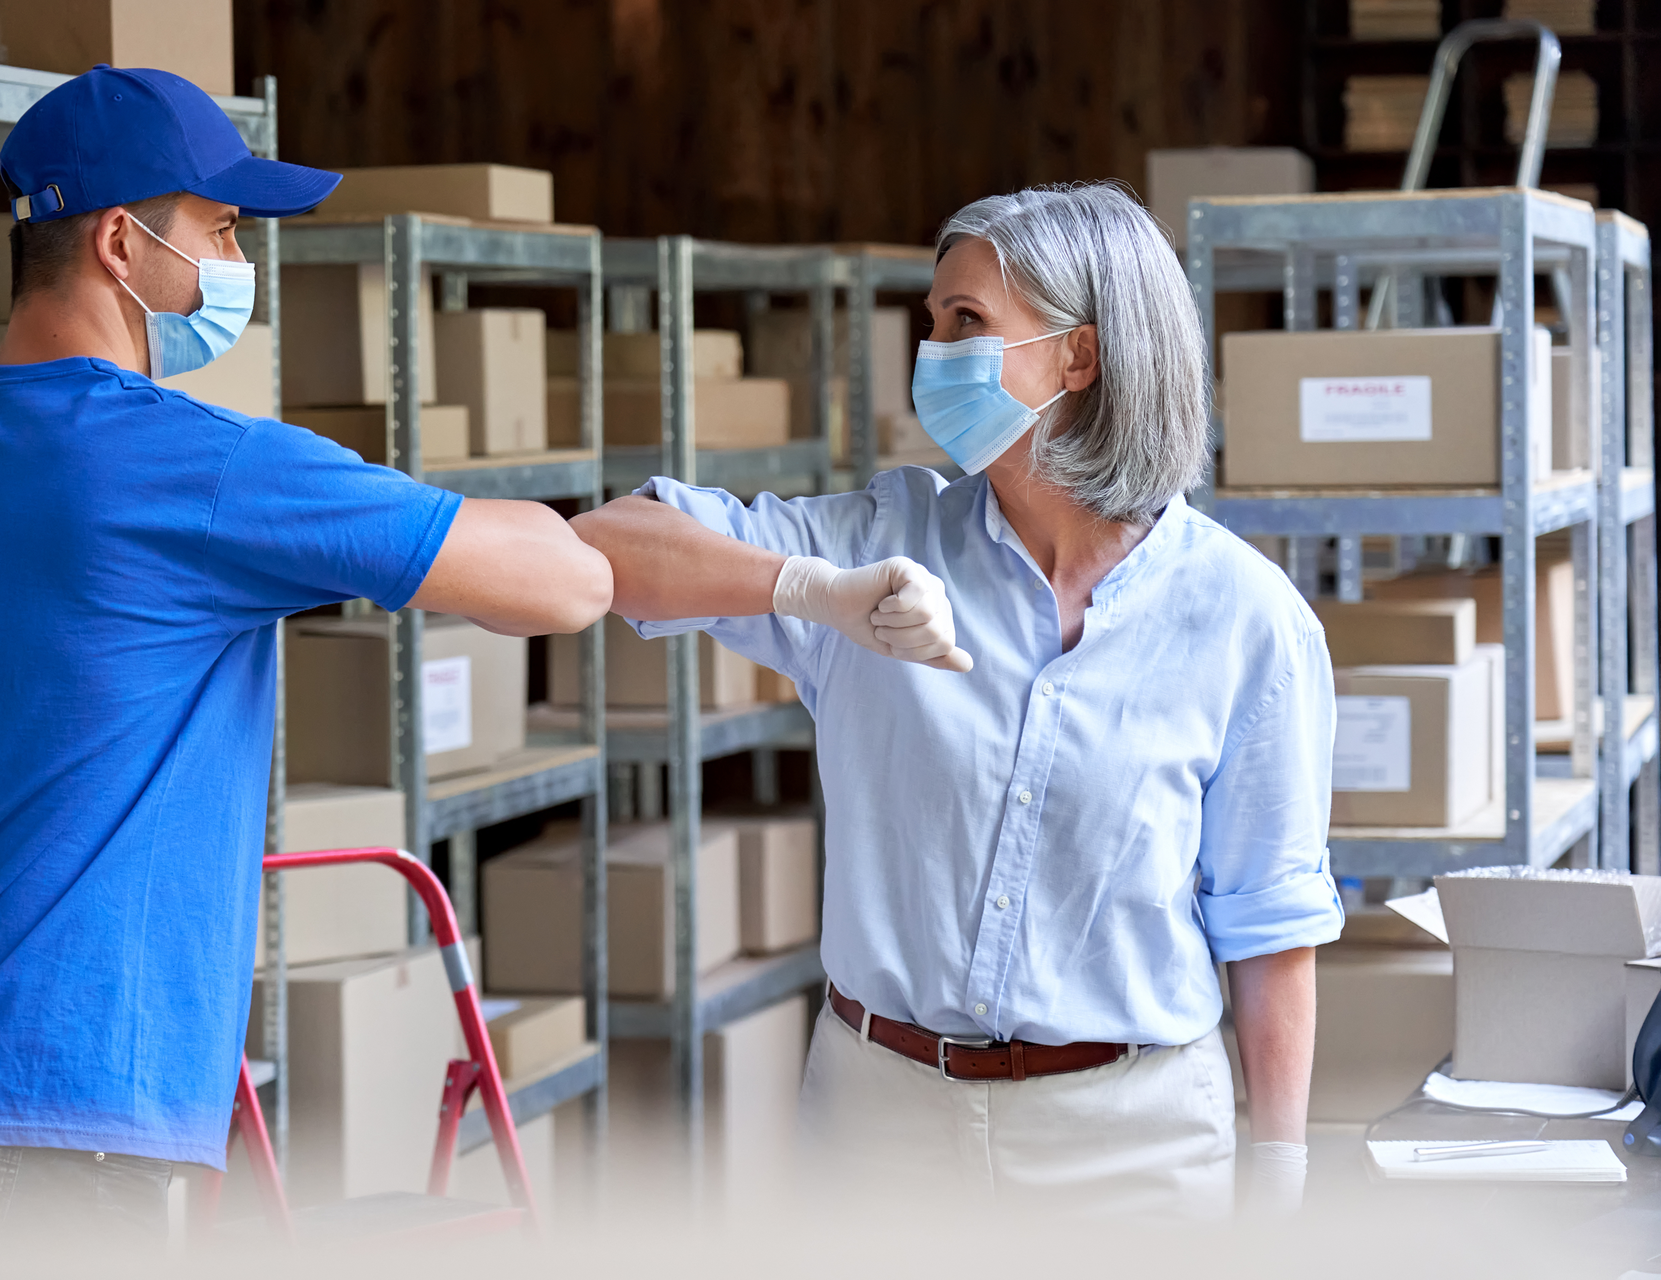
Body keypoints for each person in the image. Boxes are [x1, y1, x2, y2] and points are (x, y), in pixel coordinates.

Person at [0, 65, 617, 1251]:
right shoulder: (200, 469)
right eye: (221, 230)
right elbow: (565, 586)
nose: (234, 264)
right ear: (121, 242)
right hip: (63, 1144)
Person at [571, 183, 1340, 1218]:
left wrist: (1281, 1180)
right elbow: (610, 543)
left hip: (1132, 1145)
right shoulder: (878, 544)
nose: (932, 354)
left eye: (967, 321)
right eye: (931, 323)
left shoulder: (1248, 619)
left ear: (1079, 355)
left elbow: (1270, 922)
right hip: (878, 1124)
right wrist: (809, 590)